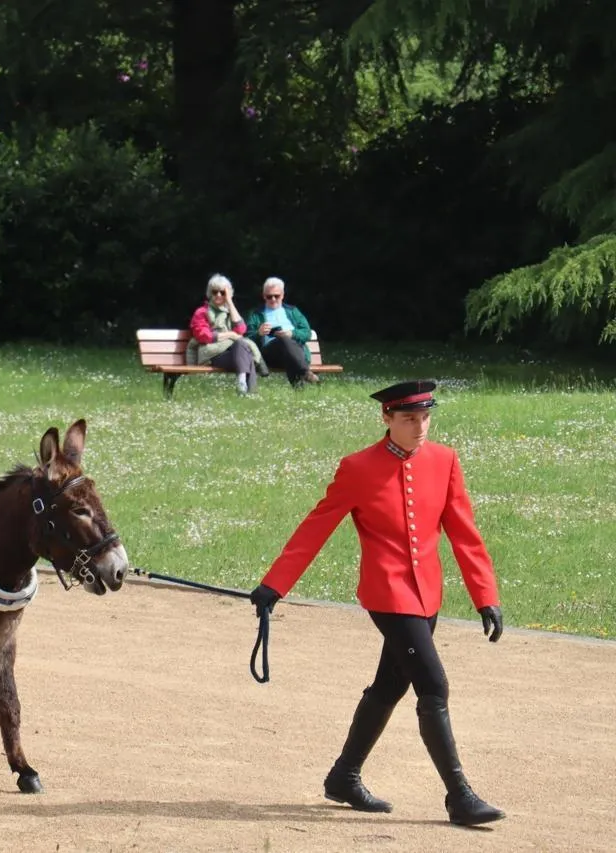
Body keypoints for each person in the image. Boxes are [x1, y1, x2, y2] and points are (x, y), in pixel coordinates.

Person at [249, 381, 506, 827]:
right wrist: (275, 584)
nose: (420, 427)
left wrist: (485, 595)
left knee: (390, 685)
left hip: (428, 595)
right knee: (433, 686)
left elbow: (465, 534)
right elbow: (317, 526)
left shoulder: (445, 460)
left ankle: (343, 777)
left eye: (425, 417)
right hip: (387, 595)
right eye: (409, 419)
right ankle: (460, 797)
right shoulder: (358, 468)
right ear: (386, 418)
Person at [188, 274, 268, 394]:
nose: (218, 295)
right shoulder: (202, 312)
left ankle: (242, 385)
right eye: (215, 292)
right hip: (212, 354)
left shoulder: (229, 311)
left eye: (222, 292)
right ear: (210, 293)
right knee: (245, 350)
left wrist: (230, 302)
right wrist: (230, 335)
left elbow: (241, 330)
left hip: (233, 353)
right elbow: (203, 336)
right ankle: (249, 392)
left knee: (241, 346)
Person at [244, 276, 321, 389]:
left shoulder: (293, 311)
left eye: (277, 296)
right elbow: (246, 338)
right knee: (283, 340)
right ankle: (305, 372)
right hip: (270, 354)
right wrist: (259, 333)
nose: (273, 299)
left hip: (295, 352)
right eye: (269, 296)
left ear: (283, 295)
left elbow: (306, 332)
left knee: (287, 343)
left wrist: (292, 334)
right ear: (264, 296)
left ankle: (300, 391)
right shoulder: (256, 314)